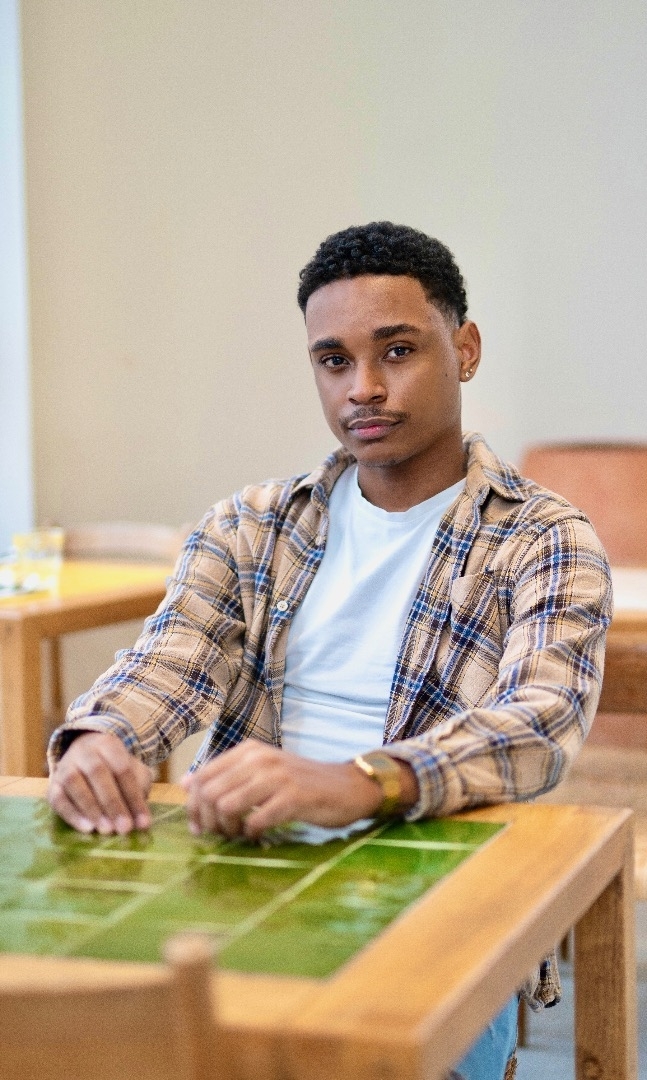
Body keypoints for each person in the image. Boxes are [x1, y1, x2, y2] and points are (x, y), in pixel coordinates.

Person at [47, 221, 612, 1080]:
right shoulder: (251, 524)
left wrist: (360, 782)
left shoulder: (545, 538)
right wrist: (101, 737)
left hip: (436, 890)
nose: (365, 388)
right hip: (241, 862)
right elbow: (167, 661)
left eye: (398, 351)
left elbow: (540, 726)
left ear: (465, 350)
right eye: (334, 360)